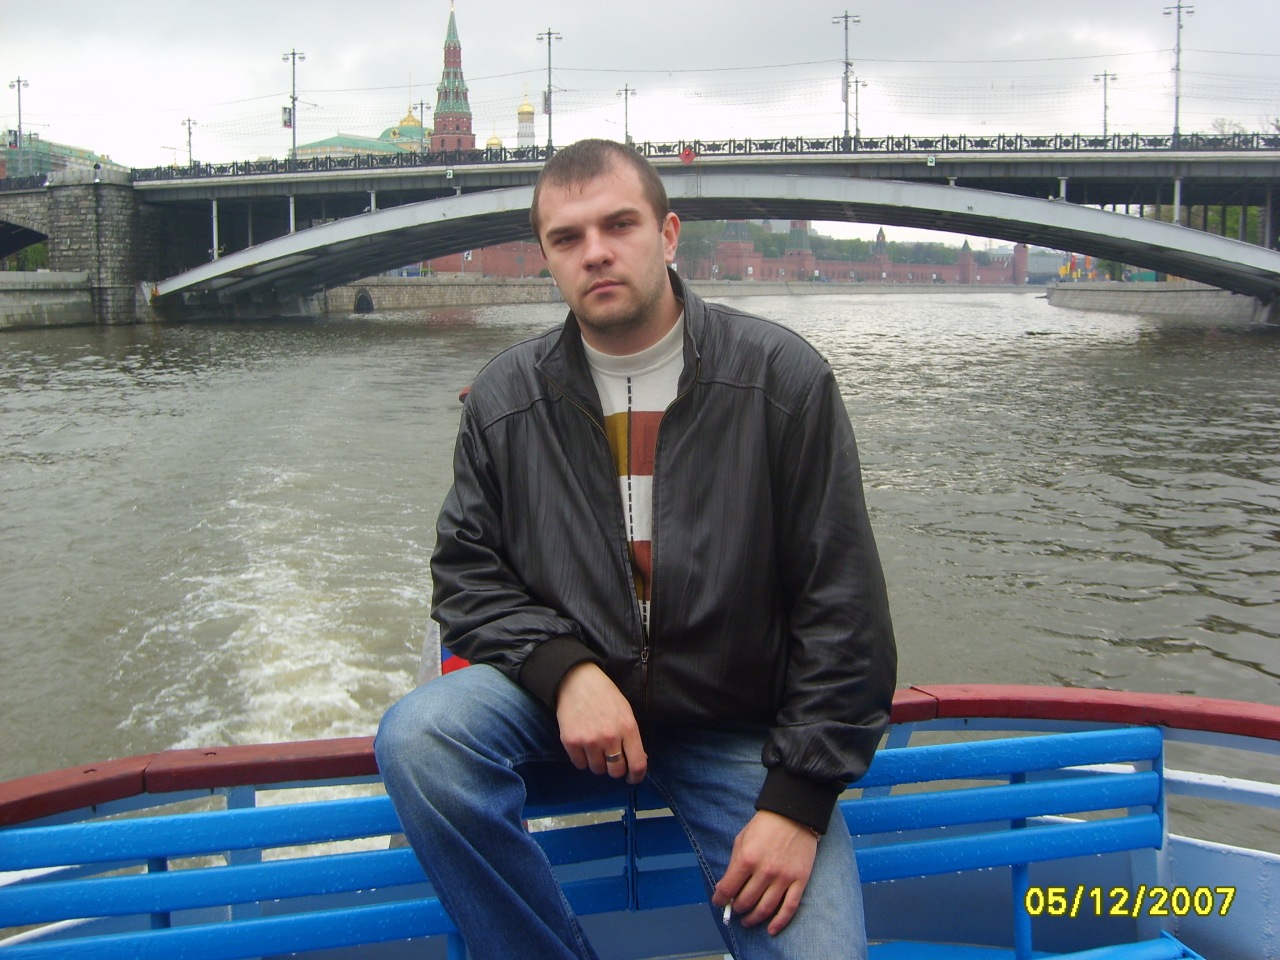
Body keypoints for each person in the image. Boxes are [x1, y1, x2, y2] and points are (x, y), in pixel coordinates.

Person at [375, 138, 897, 960]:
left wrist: (797, 803)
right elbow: (467, 576)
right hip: (566, 711)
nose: (595, 252)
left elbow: (843, 608)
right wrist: (566, 673)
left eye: (619, 225)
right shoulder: (506, 398)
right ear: (547, 257)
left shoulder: (782, 380)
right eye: (567, 237)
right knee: (422, 738)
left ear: (668, 233)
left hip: (737, 725)